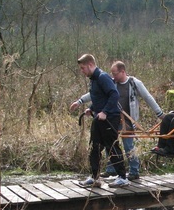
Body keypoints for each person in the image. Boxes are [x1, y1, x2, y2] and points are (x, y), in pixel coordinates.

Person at [73, 61, 163, 181]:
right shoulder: (112, 82)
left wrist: (159, 113)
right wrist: (80, 101)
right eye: (112, 73)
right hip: (113, 117)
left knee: (128, 146)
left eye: (115, 73)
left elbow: (148, 97)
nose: (113, 76)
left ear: (123, 72)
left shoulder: (134, 83)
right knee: (109, 143)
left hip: (128, 119)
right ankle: (111, 170)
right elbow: (94, 95)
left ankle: (134, 171)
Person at [69, 54, 129, 188]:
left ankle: (122, 177)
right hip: (98, 118)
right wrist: (91, 109)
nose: (82, 71)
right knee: (94, 147)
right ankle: (94, 177)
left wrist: (105, 112)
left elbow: (114, 94)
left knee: (112, 147)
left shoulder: (103, 77)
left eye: (83, 68)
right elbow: (99, 97)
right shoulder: (93, 79)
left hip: (109, 118)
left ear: (90, 65)